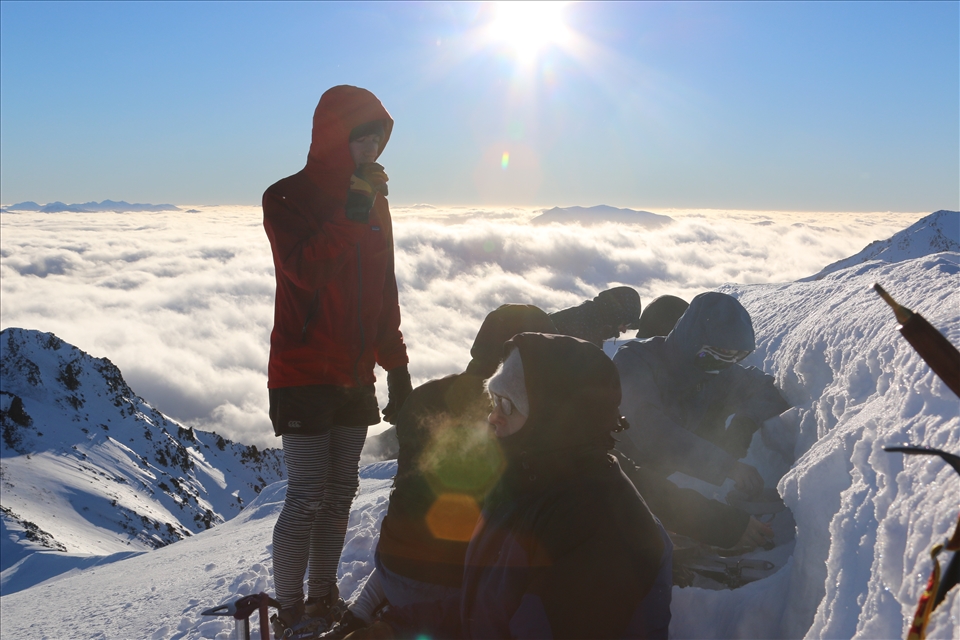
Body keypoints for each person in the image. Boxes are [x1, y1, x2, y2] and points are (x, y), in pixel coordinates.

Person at [262, 85, 412, 639]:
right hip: (300, 374)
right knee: (305, 493)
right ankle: (289, 610)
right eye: (362, 135)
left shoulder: (375, 204)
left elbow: (382, 288)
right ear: (334, 136)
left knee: (340, 490)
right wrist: (351, 211)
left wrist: (395, 366)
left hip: (353, 374)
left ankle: (322, 599)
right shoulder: (284, 197)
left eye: (379, 137)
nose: (372, 147)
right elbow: (305, 270)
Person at [322, 305, 557, 637]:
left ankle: (358, 616)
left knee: (417, 528)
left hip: (392, 568)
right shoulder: (515, 418)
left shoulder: (424, 397)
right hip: (455, 591)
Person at [461, 333, 672, 638]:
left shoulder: (597, 530)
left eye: (509, 404)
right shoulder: (524, 479)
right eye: (494, 399)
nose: (493, 416)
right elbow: (487, 598)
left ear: (556, 419)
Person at [613, 292, 790, 549]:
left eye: (735, 357)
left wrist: (744, 424)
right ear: (692, 341)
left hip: (656, 480)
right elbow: (651, 431)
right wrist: (726, 466)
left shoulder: (715, 371)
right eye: (717, 354)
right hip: (611, 472)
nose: (724, 365)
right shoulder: (635, 361)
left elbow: (765, 389)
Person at [549, 286, 641, 346]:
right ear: (615, 314)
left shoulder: (590, 320)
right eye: (626, 324)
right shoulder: (583, 329)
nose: (624, 331)